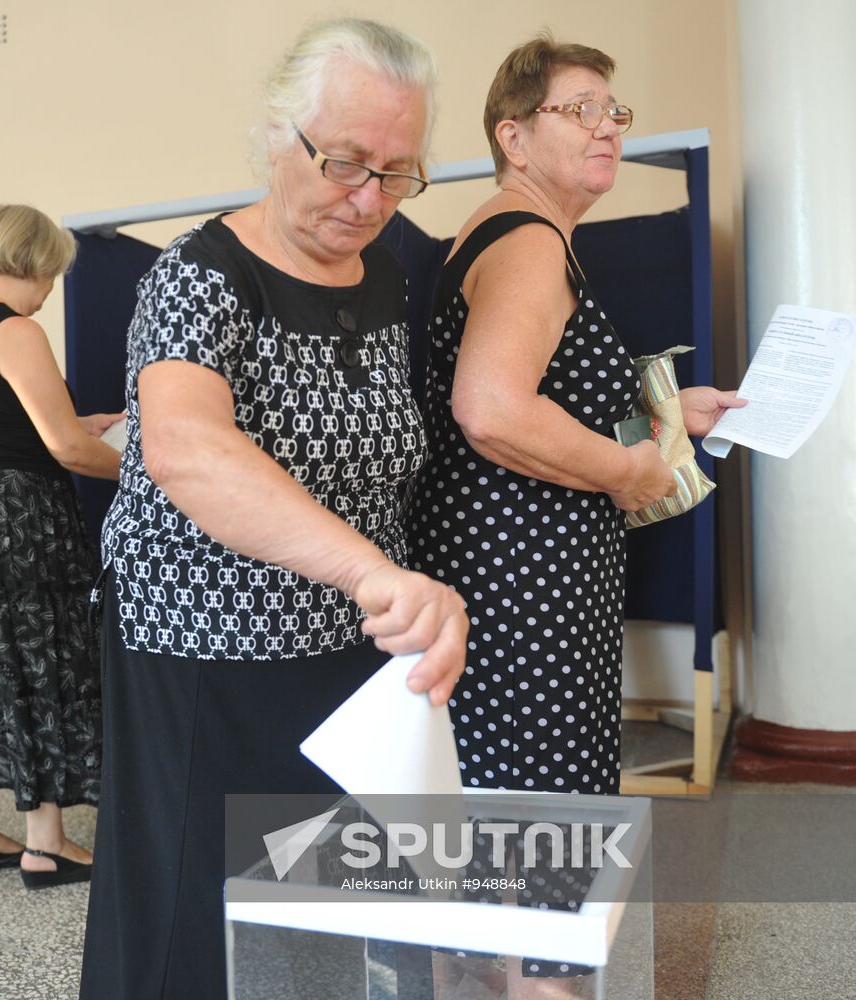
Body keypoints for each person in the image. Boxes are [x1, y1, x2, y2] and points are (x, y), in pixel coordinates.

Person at [80, 18, 468, 1000]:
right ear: (274, 138)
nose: (370, 197)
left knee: (328, 918)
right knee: (198, 925)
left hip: (350, 667)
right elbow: (187, 448)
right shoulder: (198, 276)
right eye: (343, 162)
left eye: (398, 171)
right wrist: (369, 570)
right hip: (208, 658)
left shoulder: (385, 275)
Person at [409, 36, 745, 795]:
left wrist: (666, 409)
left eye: (614, 111)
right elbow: (490, 409)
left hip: (527, 580)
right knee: (537, 810)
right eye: (581, 109)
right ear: (514, 136)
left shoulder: (529, 232)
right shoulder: (527, 240)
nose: (608, 128)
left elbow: (543, 393)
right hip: (518, 589)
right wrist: (631, 471)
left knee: (528, 807)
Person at [0, 204, 123, 889]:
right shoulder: (18, 328)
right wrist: (153, 470)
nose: (52, 287)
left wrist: (87, 422)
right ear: (38, 260)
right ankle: (46, 844)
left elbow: (8, 423)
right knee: (45, 659)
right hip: (20, 518)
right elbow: (64, 448)